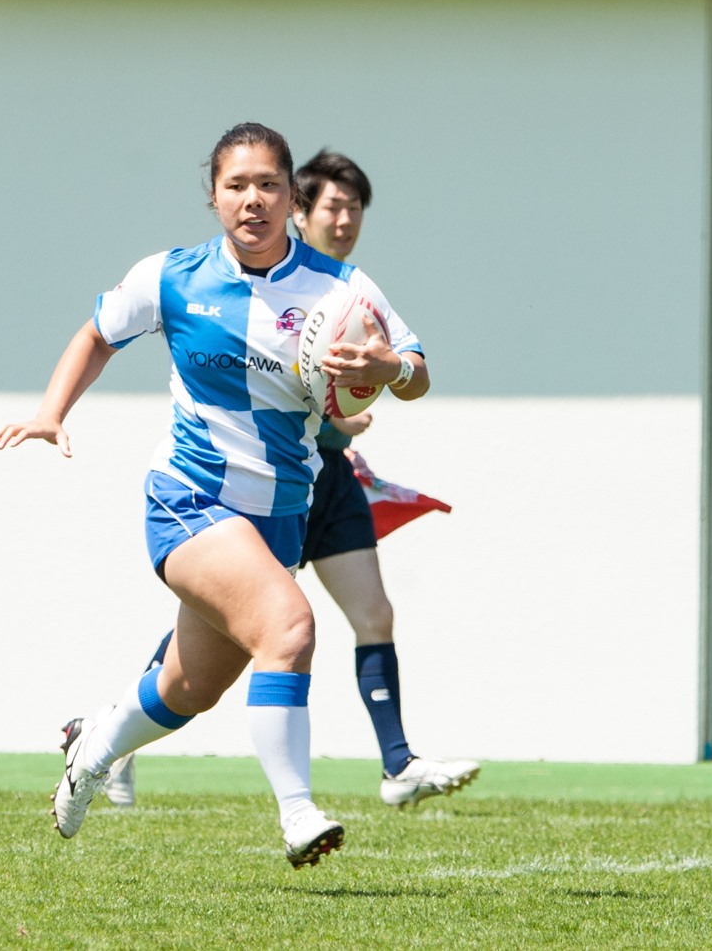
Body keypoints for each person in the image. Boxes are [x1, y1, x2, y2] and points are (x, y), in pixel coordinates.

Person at [0, 123, 427, 868]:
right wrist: (51, 412)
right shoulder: (171, 277)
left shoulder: (341, 288)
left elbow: (416, 370)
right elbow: (96, 335)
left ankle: (93, 748)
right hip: (189, 499)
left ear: (292, 199)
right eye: (236, 185)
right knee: (290, 628)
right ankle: (298, 814)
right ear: (214, 197)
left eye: (268, 185)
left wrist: (390, 369)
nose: (252, 199)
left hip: (279, 519)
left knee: (187, 688)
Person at [97, 149, 479, 812]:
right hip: (249, 485)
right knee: (240, 627)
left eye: (356, 209)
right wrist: (336, 411)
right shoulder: (250, 282)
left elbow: (402, 372)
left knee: (371, 613)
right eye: (334, 207)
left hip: (323, 481)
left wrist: (377, 380)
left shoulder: (348, 292)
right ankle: (118, 739)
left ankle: (397, 763)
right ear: (300, 211)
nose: (346, 220)